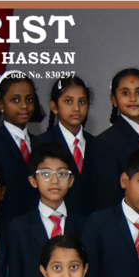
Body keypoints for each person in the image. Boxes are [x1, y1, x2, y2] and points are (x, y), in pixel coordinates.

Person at [7, 143, 87, 277]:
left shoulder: (84, 225)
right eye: (45, 174)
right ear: (33, 181)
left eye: (62, 174)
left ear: (71, 180)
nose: (54, 180)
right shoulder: (19, 227)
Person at [90, 68, 139, 212]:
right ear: (114, 100)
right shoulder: (105, 142)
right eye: (125, 93)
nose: (133, 98)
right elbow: (105, 199)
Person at [0, 70, 43, 227]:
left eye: (29, 99)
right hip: (8, 227)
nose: (24, 106)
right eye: (15, 100)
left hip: (40, 226)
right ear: (0, 105)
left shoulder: (41, 143)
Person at [34, 76, 97, 216]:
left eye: (82, 101)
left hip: (93, 222)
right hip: (56, 221)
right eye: (68, 101)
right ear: (54, 107)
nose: (76, 108)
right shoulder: (40, 144)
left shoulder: (98, 144)